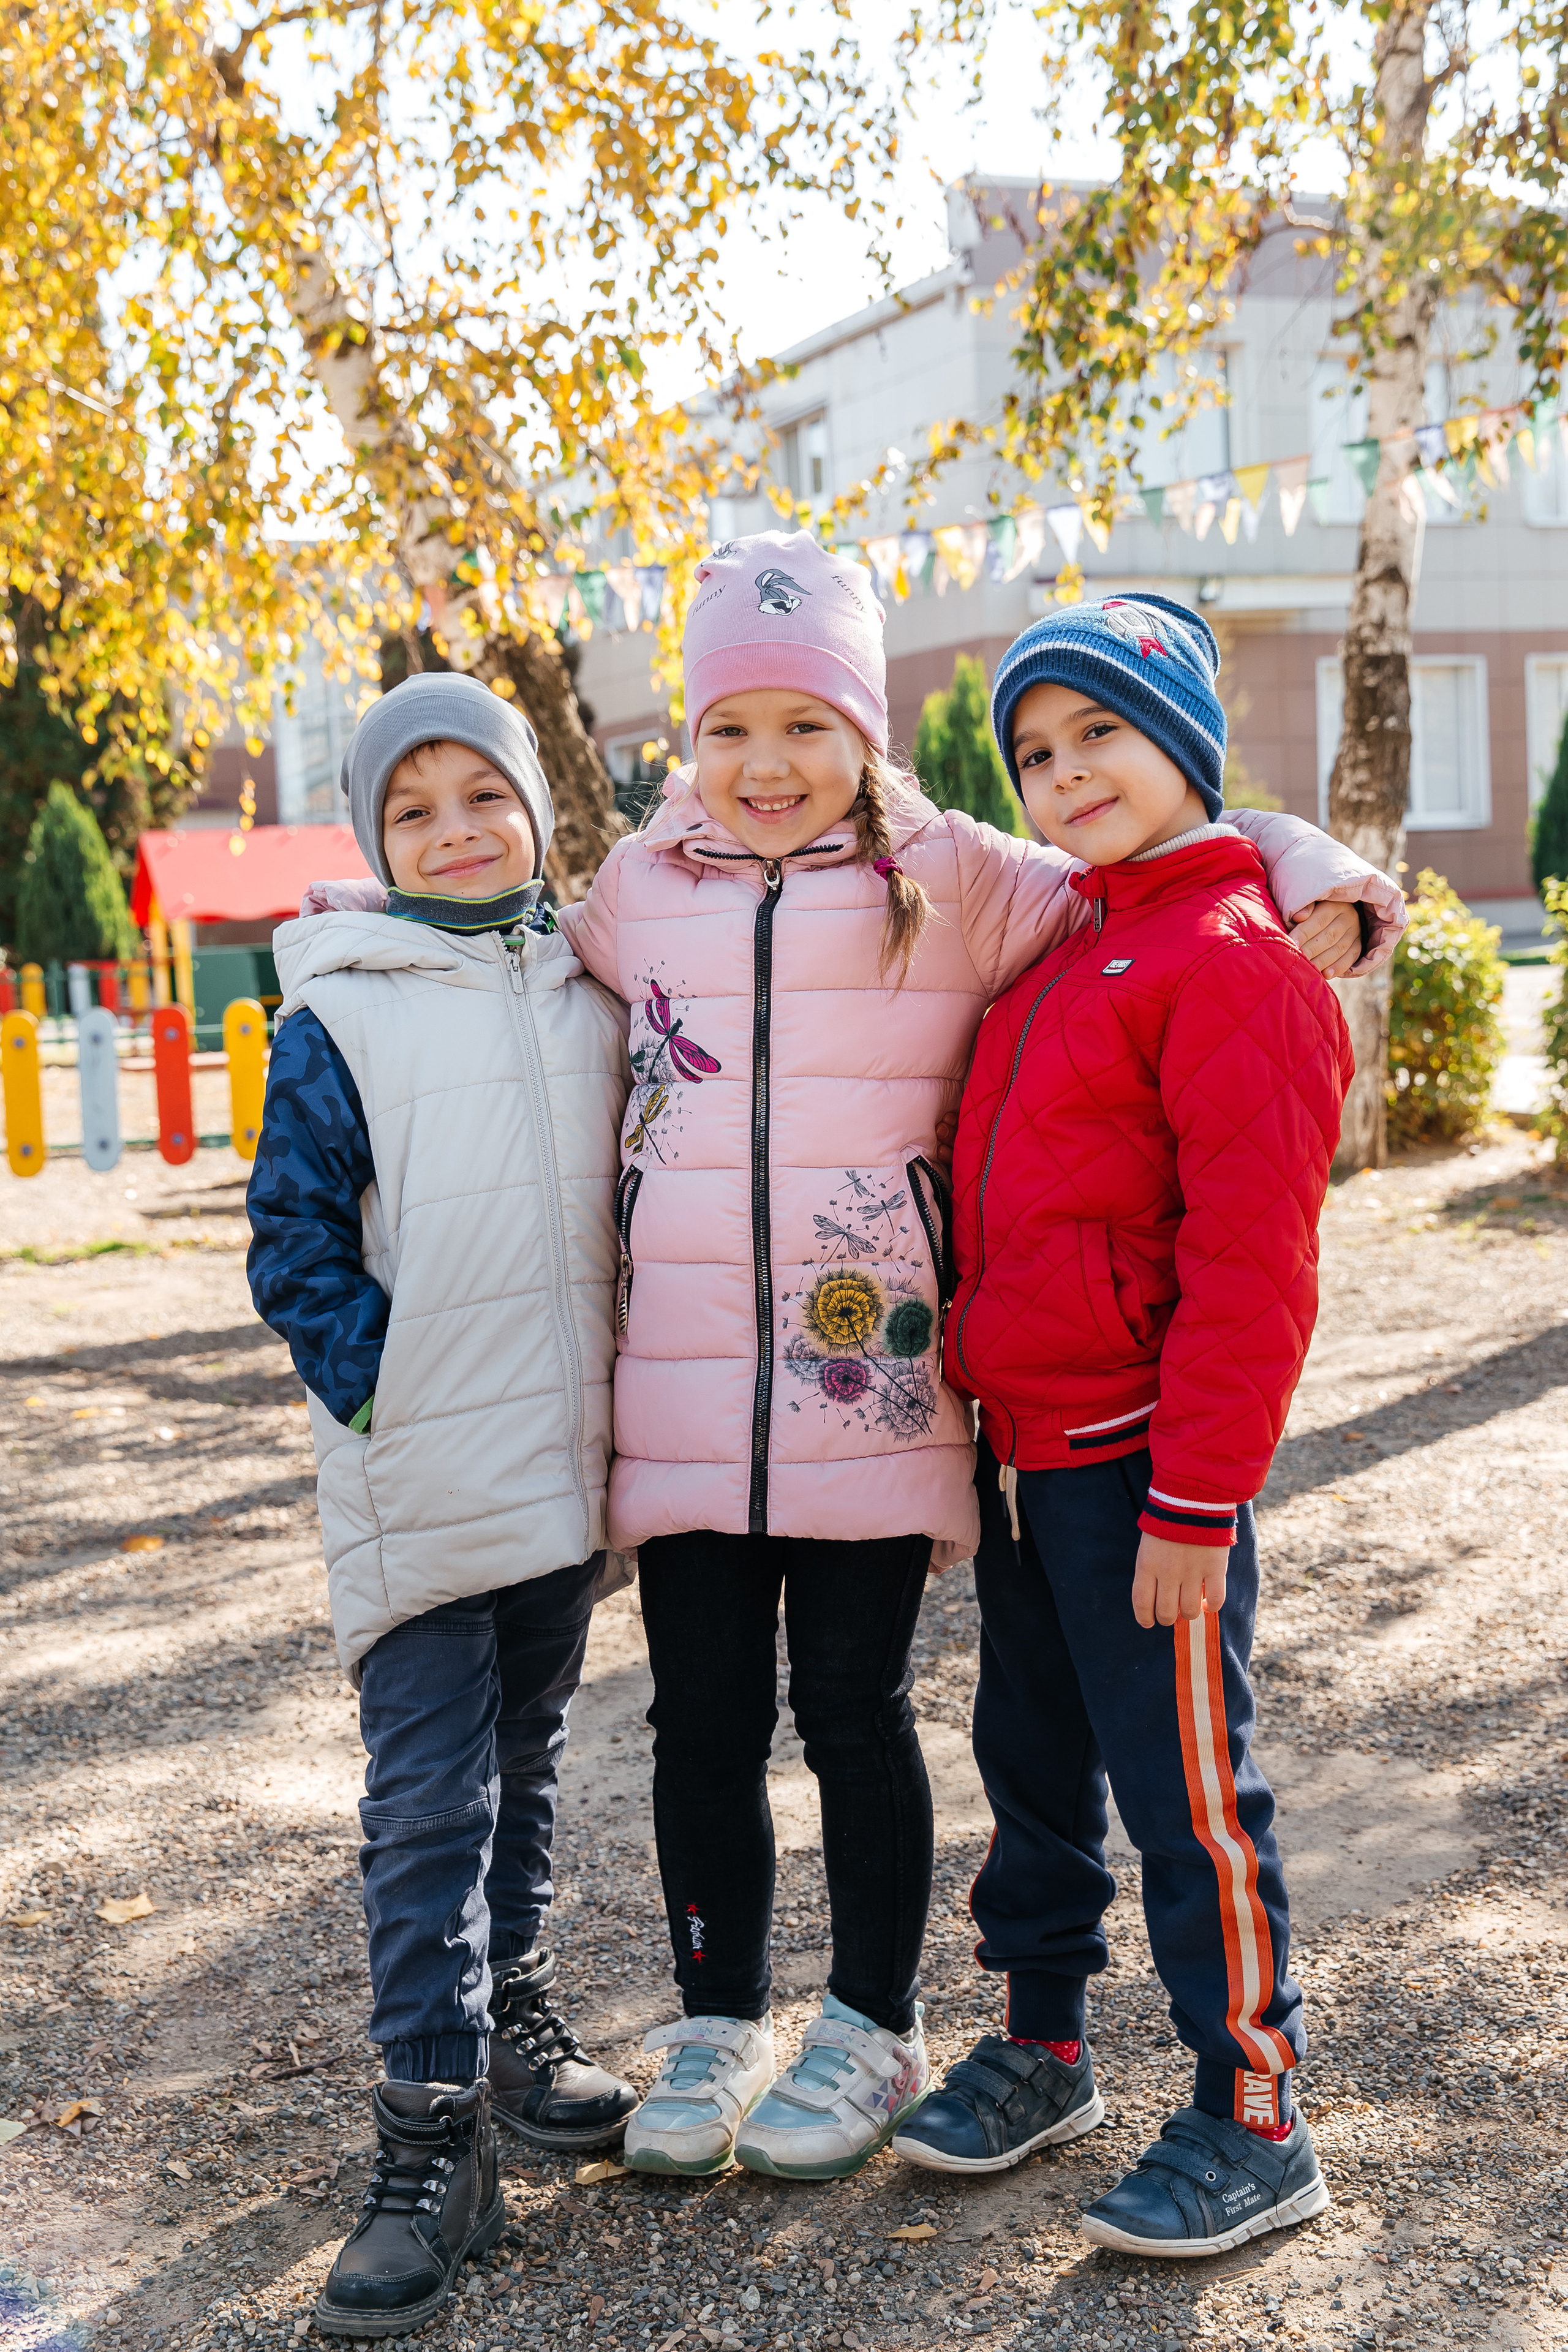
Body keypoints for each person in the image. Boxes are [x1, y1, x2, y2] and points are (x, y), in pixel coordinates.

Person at [540, 534, 1401, 2184]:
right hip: (831, 1422)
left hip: (1006, 1433)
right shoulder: (652, 892)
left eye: (810, 724)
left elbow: (1170, 896)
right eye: (728, 728)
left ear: (869, 731)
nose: (766, 764)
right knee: (862, 1748)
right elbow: (525, 973)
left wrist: (1301, 862)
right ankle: (887, 2033)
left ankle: (1092, 2073)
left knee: (1019, 1754)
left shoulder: (999, 889)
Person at [890, 595, 1349, 2257]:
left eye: (1101, 733)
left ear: (1185, 744)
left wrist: (1197, 1504)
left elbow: (1254, 1269)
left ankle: (1254, 2110)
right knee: (1030, 1775)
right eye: (1035, 749)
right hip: (1025, 1458)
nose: (1066, 773)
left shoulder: (1235, 965)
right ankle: (1045, 2045)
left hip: (1147, 1471)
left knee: (1189, 1800)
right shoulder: (1066, 949)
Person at [247, 673, 637, 2338]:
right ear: (372, 839)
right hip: (421, 1474)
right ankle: (424, 2142)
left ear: (538, 809)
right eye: (411, 810)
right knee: (428, 1802)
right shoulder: (336, 1009)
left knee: (530, 1762)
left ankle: (511, 2018)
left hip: (565, 1469)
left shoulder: (598, 973)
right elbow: (294, 1241)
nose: (456, 829)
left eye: (482, 794)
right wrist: (378, 1396)